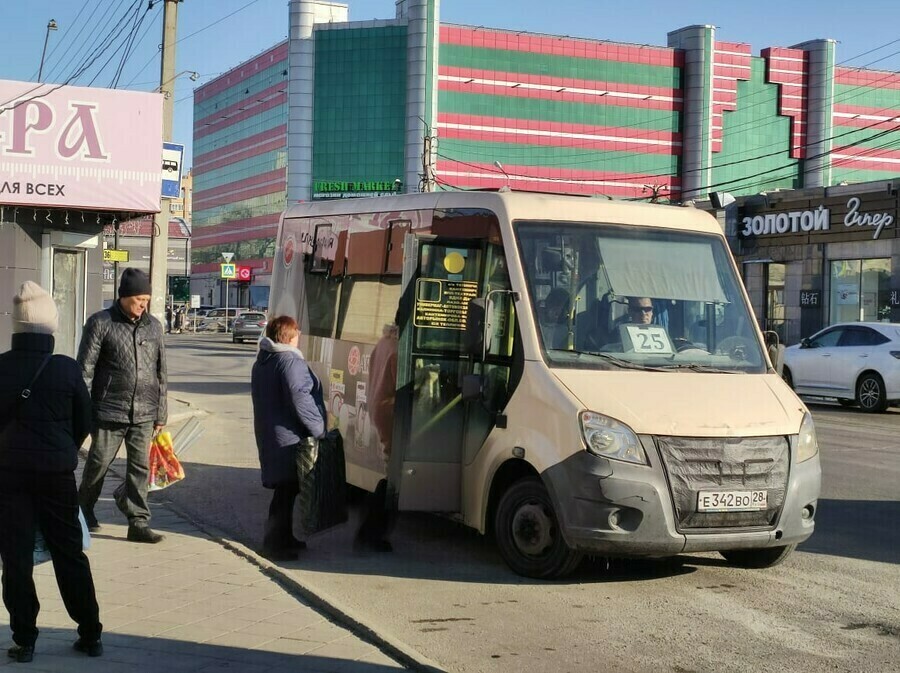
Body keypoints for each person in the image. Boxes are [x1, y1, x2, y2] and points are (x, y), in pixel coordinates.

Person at [0, 282, 103, 662]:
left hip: (9, 477)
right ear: (51, 327)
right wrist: (63, 449)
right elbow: (85, 420)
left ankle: (24, 639)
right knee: (69, 553)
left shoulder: (1, 367)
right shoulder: (66, 369)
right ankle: (90, 632)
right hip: (57, 475)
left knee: (16, 557)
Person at [77, 268, 167, 544]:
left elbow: (161, 372)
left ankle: (138, 522)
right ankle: (82, 512)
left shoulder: (154, 326)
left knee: (139, 468)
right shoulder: (100, 323)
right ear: (124, 297)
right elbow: (85, 370)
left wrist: (160, 412)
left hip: (144, 412)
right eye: (140, 299)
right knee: (98, 465)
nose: (144, 305)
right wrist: (83, 409)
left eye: (147, 300)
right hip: (108, 410)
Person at [250, 315, 326, 562]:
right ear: (289, 336)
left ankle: (284, 537)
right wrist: (319, 428)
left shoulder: (265, 359)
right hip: (290, 437)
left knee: (287, 489)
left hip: (272, 432)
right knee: (286, 489)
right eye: (297, 334)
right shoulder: (289, 361)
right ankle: (274, 543)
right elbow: (300, 399)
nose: (299, 338)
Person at [355, 315, 399, 553]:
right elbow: (401, 383)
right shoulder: (398, 350)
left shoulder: (383, 342)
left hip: (378, 408)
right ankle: (371, 530)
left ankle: (371, 529)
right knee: (393, 477)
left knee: (390, 470)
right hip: (391, 411)